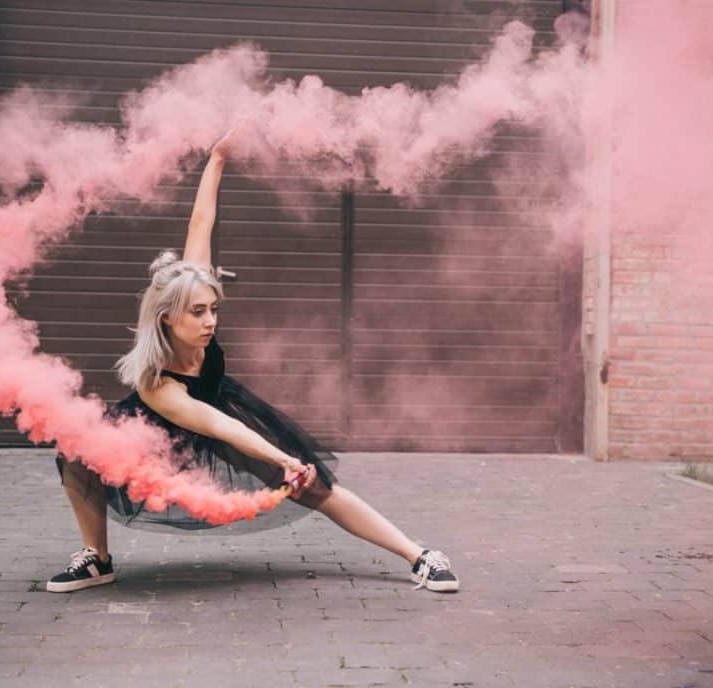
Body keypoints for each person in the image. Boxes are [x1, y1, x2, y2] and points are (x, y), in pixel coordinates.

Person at [48, 133, 459, 594]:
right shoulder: (155, 385)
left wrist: (218, 157)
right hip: (160, 436)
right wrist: (283, 458)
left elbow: (201, 223)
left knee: (315, 489)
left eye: (214, 309)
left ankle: (419, 555)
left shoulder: (191, 289)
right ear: (167, 319)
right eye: (198, 313)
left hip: (223, 406)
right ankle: (96, 559)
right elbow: (221, 428)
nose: (210, 321)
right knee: (76, 452)